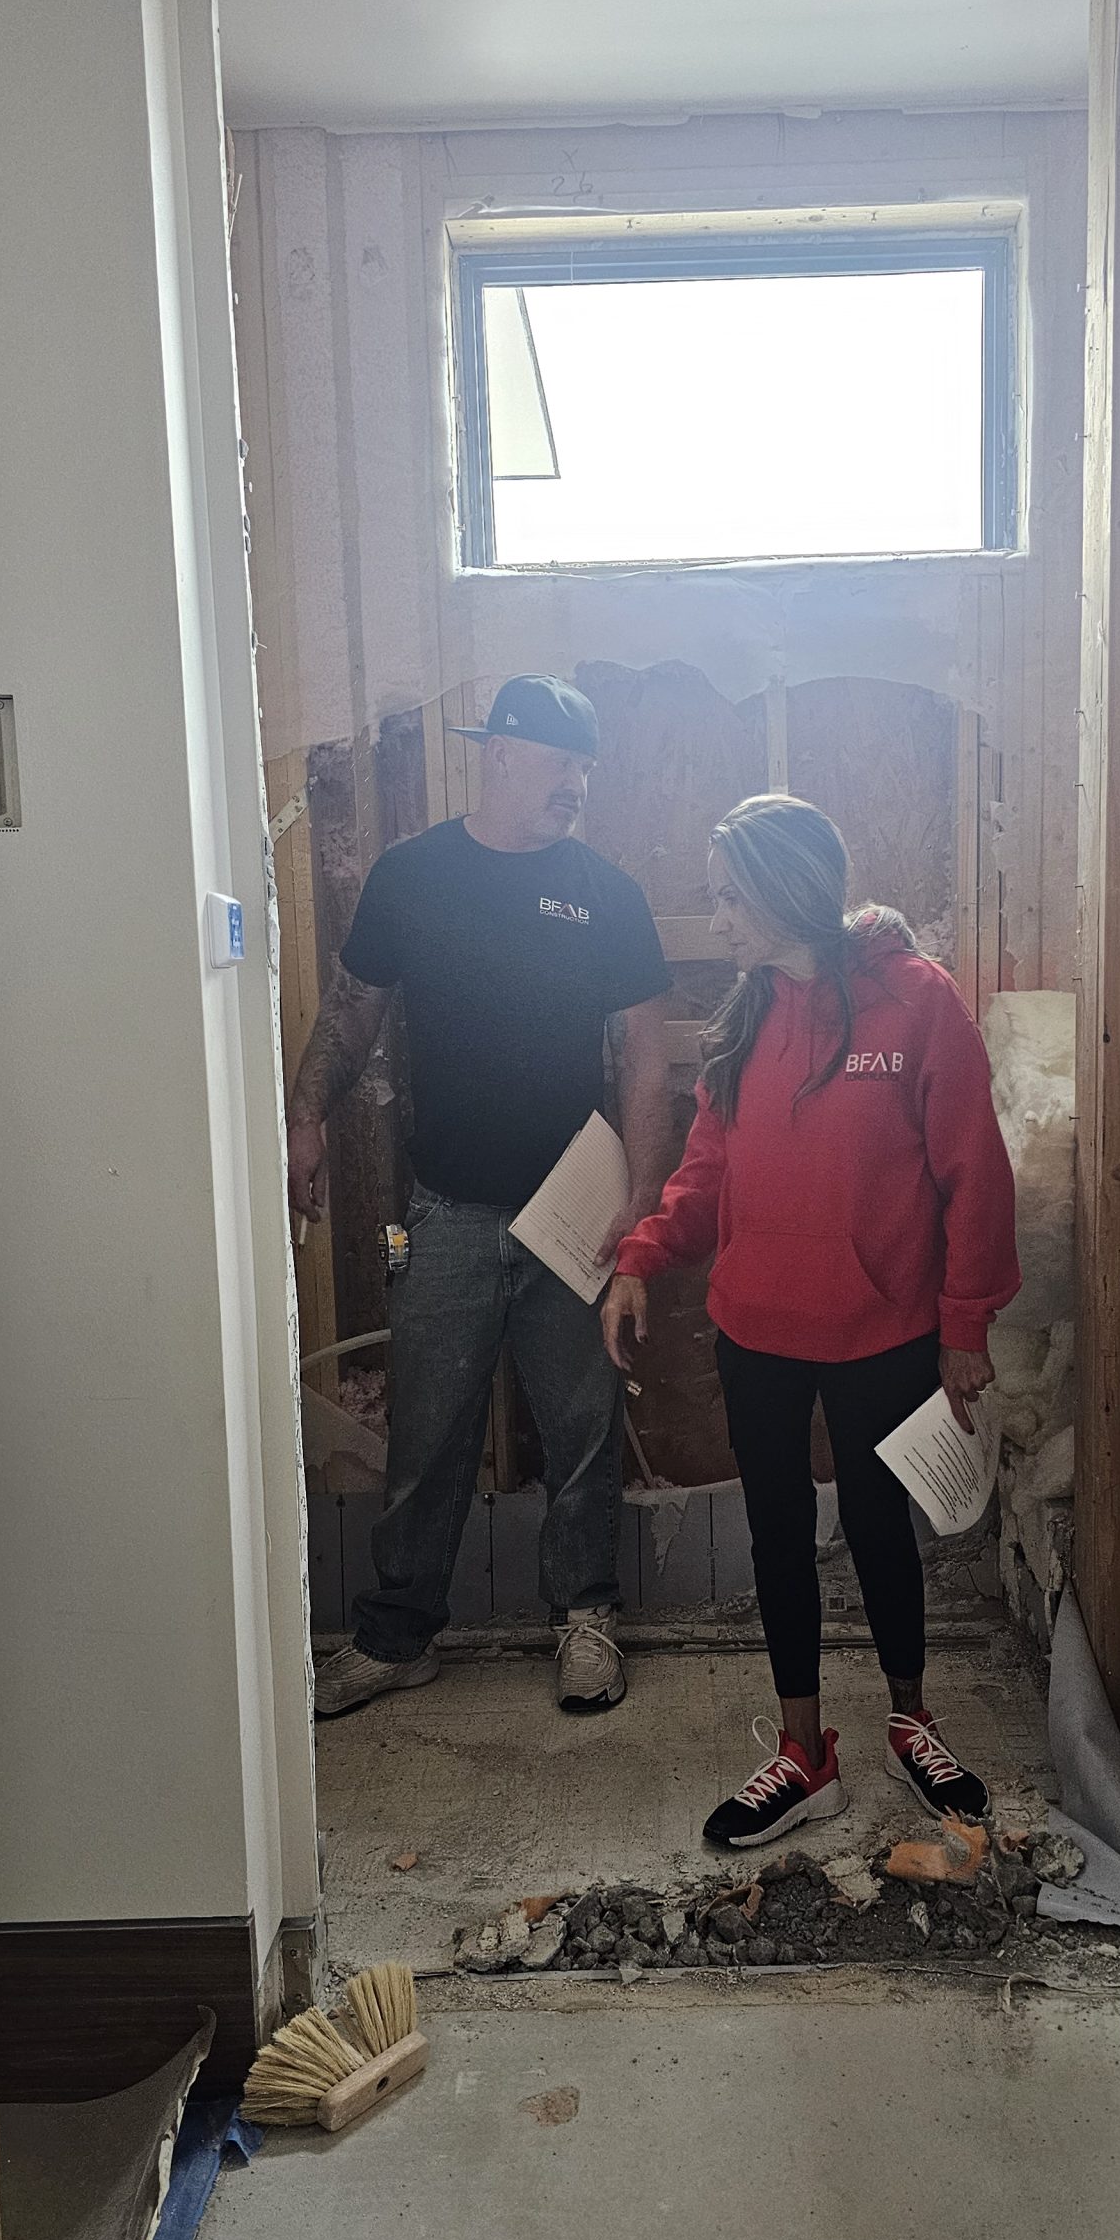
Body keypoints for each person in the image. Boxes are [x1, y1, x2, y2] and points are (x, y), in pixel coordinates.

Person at [602, 795, 1020, 1849]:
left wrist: (965, 1324)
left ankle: (911, 1722)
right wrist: (644, 1254)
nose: (718, 920)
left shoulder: (917, 1001)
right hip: (757, 1333)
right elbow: (707, 1173)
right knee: (778, 1533)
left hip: (884, 1328)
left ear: (785, 891)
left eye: (729, 898)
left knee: (880, 1526)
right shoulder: (744, 1017)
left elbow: (975, 1175)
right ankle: (804, 1754)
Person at [288, 676, 672, 1718]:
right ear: (499, 755)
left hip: (573, 1210)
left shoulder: (605, 892)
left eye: (587, 768)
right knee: (427, 1437)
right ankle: (397, 1636)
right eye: (560, 763)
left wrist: (641, 1203)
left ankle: (584, 1618)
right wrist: (306, 1113)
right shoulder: (412, 877)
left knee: (583, 1429)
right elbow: (354, 1010)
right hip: (445, 1210)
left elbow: (646, 1058)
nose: (576, 784)